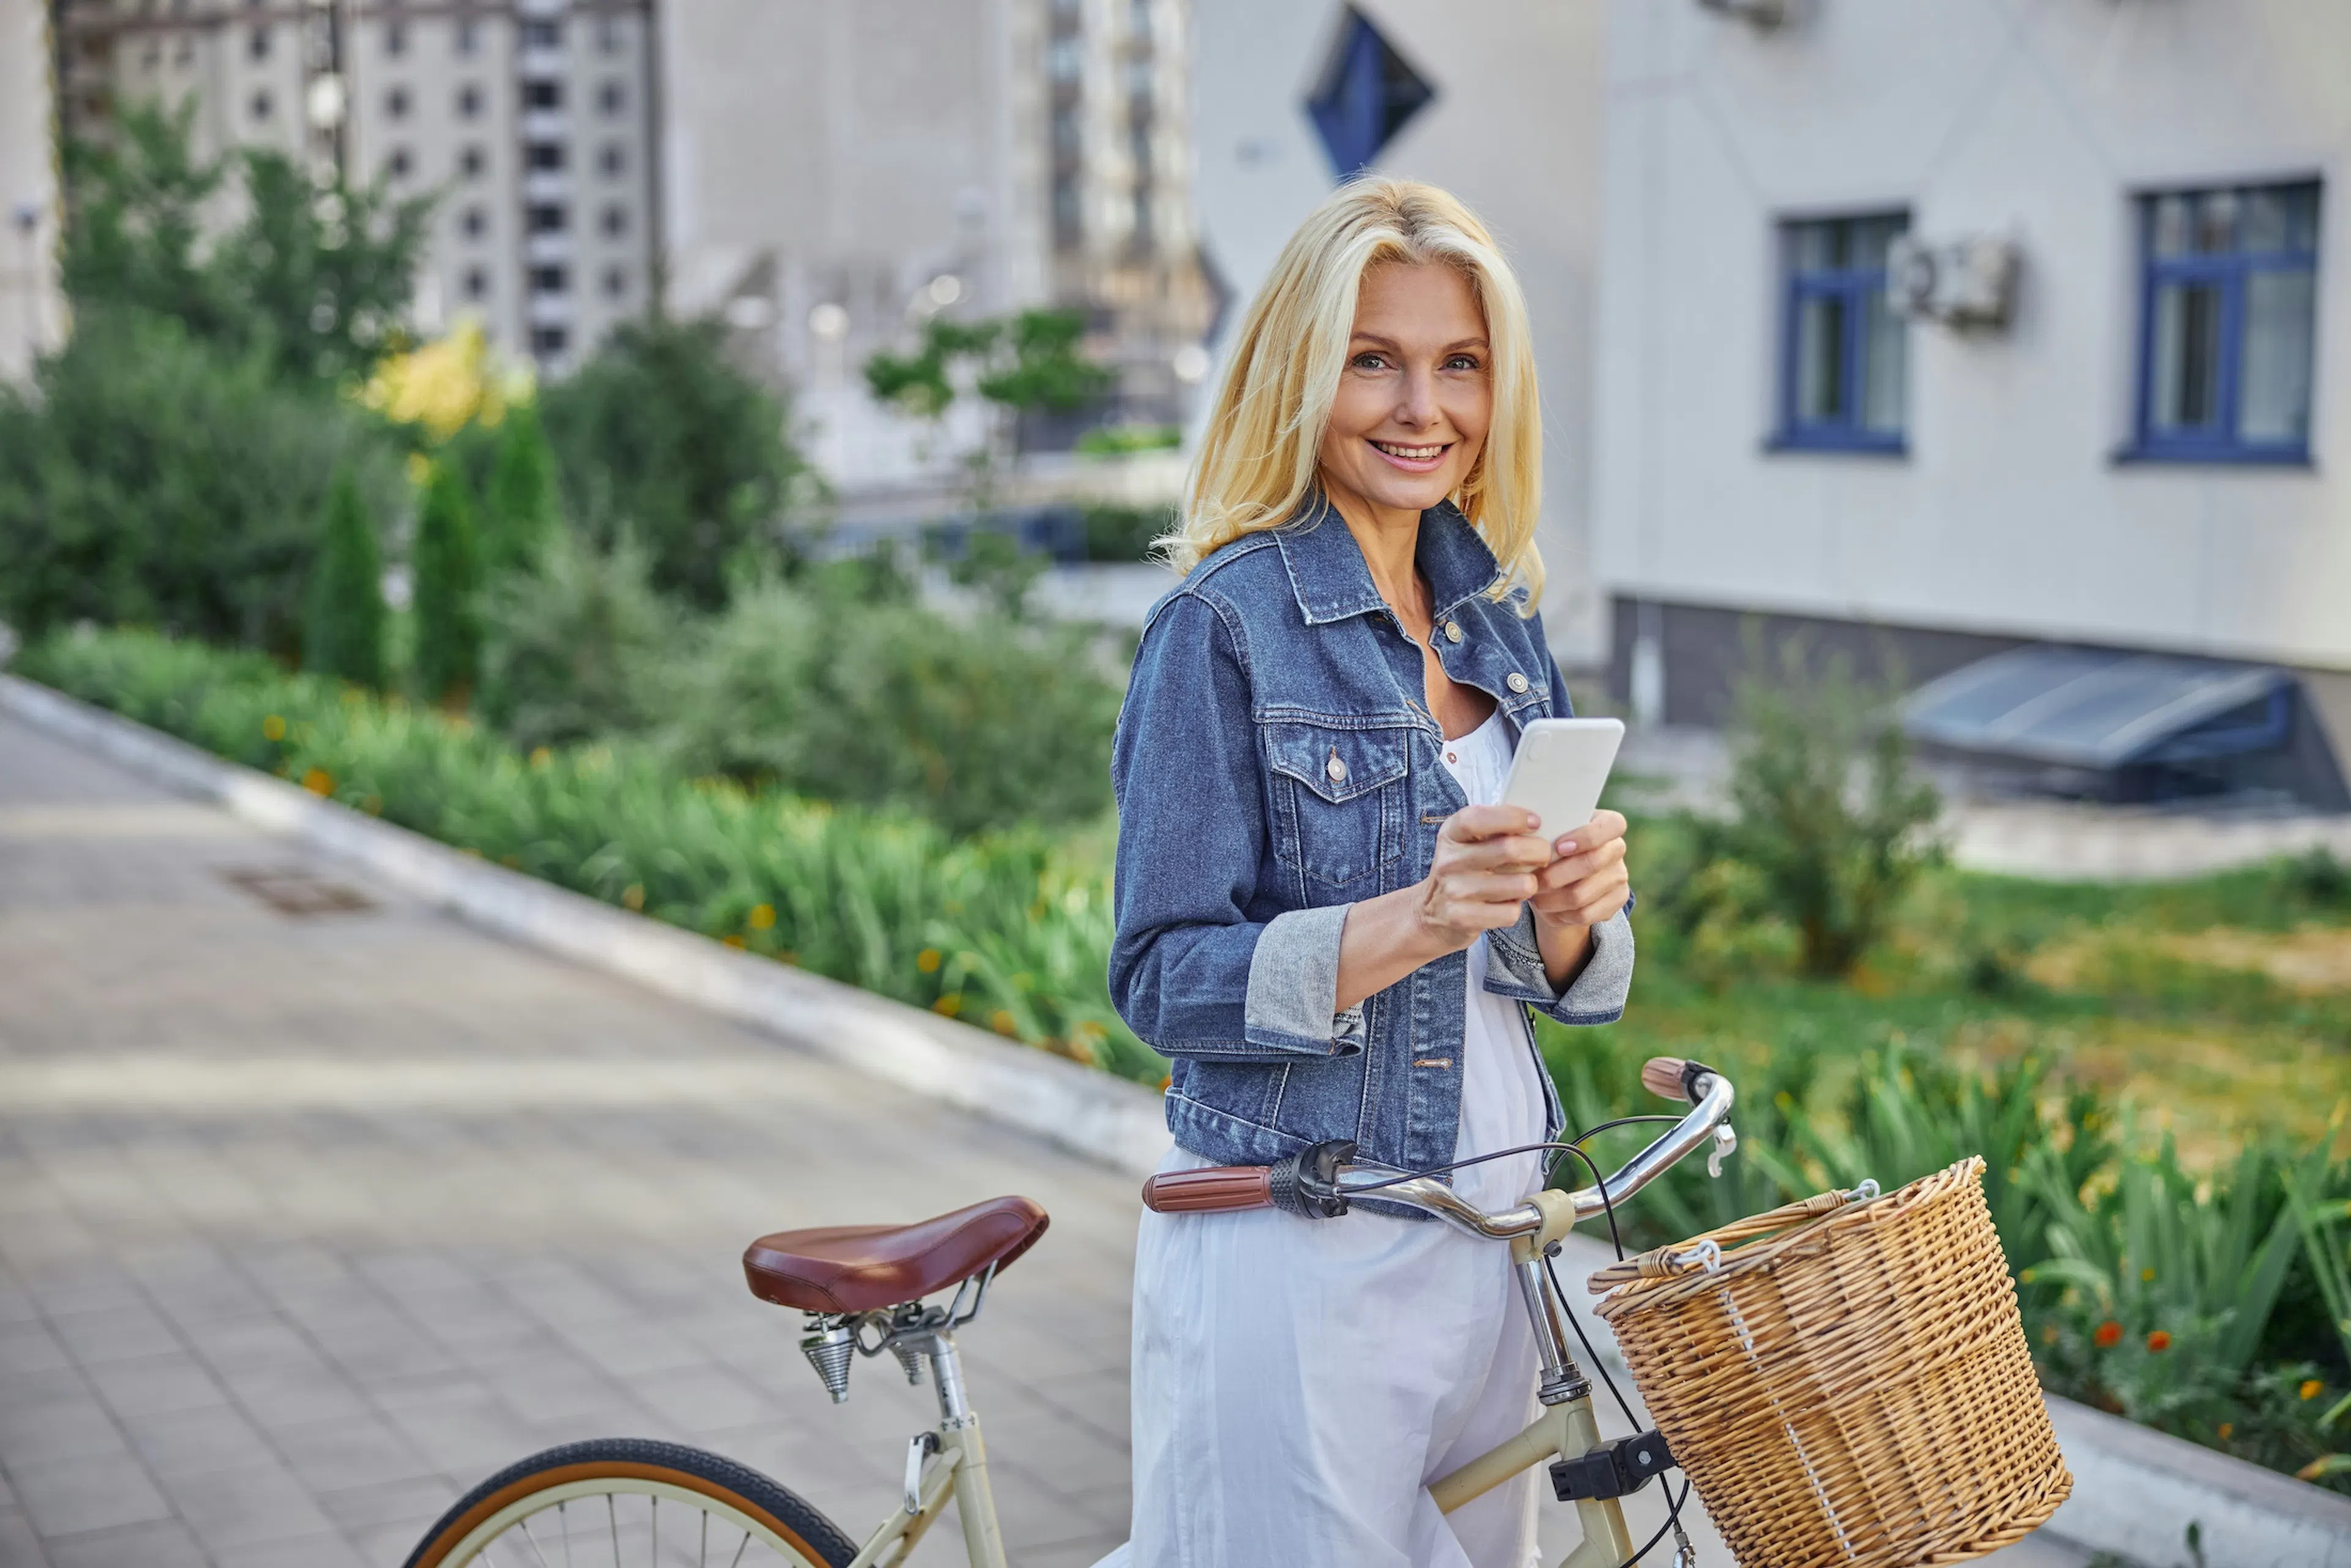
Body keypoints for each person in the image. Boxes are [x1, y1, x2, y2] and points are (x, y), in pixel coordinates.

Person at [1100, 179, 1636, 1568]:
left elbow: (1530, 977)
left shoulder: (1499, 624)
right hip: (1307, 1244)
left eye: (1459, 362)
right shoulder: (1220, 628)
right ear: (1300, 370)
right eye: (1373, 359)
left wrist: (1574, 921)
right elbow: (1161, 975)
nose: (1422, 407)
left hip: (1496, 1232)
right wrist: (1409, 919)